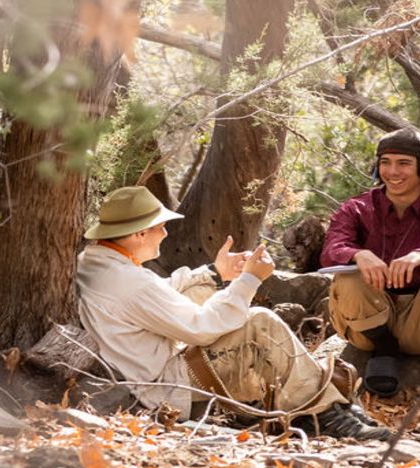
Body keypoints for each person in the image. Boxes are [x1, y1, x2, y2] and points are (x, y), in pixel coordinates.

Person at [76, 186, 389, 440]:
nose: (165, 234)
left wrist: (215, 273)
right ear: (139, 234)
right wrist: (249, 280)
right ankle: (324, 414)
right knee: (260, 323)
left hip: (149, 373)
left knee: (222, 304)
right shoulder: (129, 281)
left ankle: (332, 404)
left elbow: (161, 294)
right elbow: (201, 328)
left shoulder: (97, 263)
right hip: (163, 388)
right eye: (159, 227)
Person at [320, 129, 420, 406]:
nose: (392, 171)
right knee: (347, 277)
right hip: (365, 324)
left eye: (403, 163)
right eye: (385, 162)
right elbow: (332, 249)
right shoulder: (356, 208)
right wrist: (359, 255)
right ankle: (384, 351)